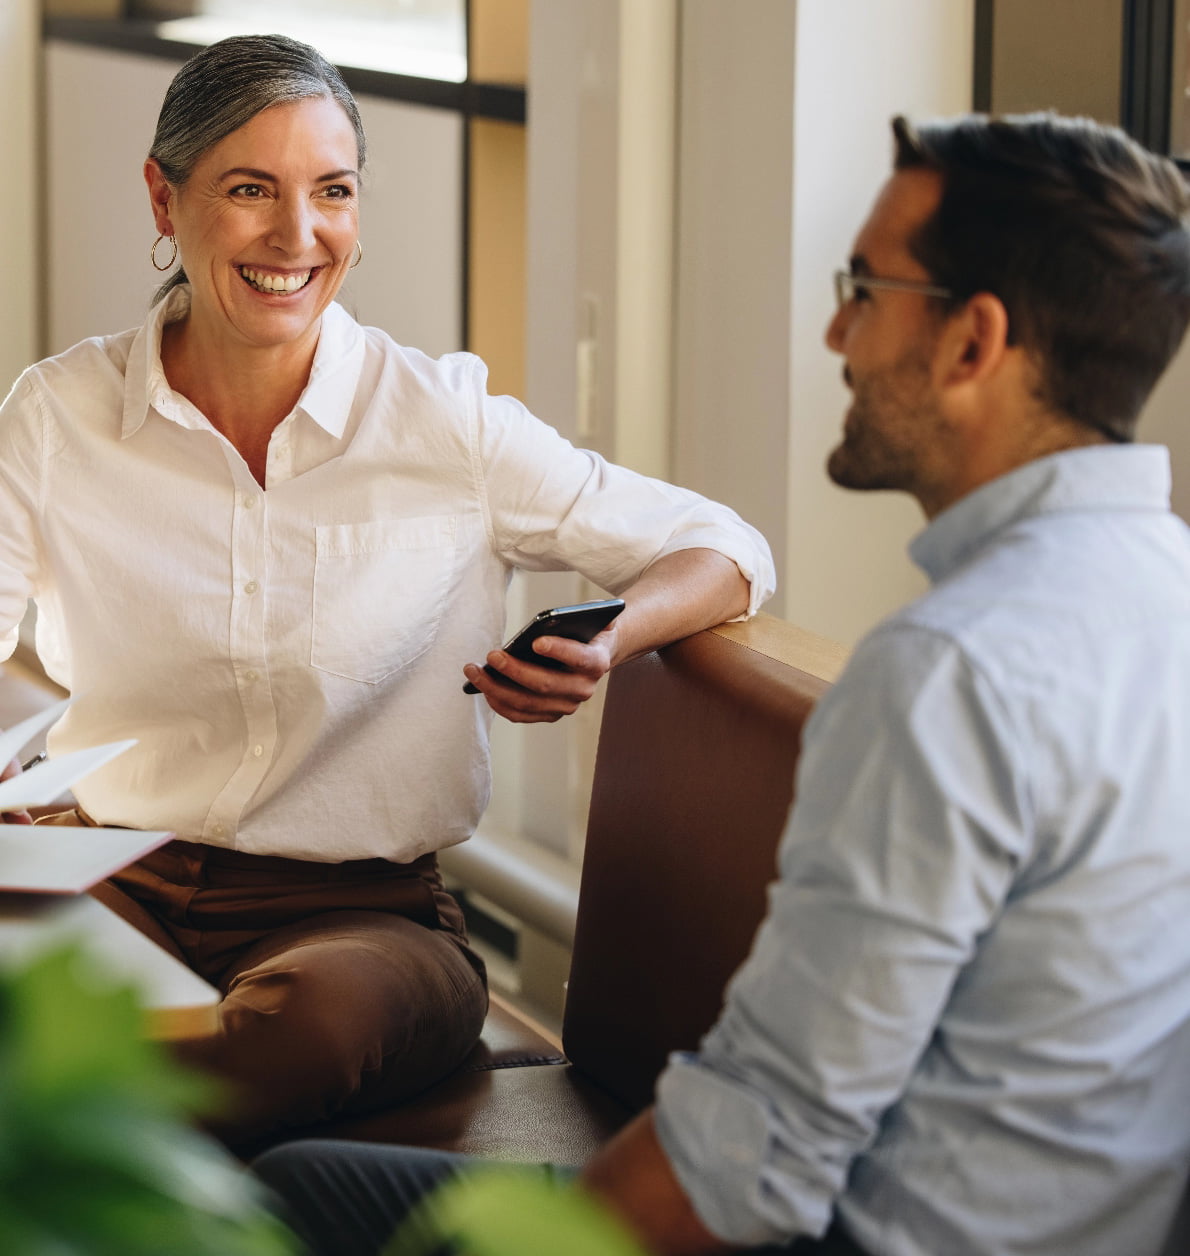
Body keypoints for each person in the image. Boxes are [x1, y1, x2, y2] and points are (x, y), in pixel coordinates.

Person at [251, 110, 1190, 1255]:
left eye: (865, 286)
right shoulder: (1164, 596)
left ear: (969, 343)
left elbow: (746, 1162)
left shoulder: (949, 674)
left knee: (287, 1193)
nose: (837, 330)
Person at [0, 33, 774, 1146]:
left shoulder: (444, 423)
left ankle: (89, 1144)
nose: (296, 235)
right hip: (112, 867)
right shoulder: (58, 412)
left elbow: (724, 545)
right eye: (249, 190)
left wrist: (607, 645)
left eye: (333, 192)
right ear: (163, 200)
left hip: (362, 921)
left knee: (298, 1028)